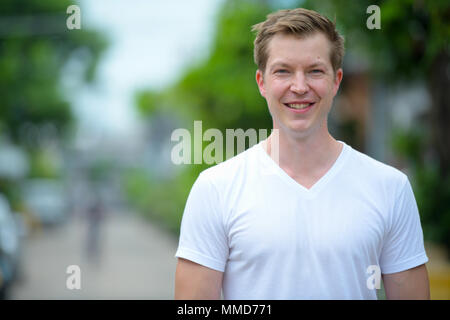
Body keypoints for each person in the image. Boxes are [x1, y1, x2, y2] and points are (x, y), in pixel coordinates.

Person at [174, 8, 430, 299]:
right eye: (283, 71)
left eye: (315, 71)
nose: (299, 87)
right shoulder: (216, 189)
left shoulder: (390, 188)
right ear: (262, 82)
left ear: (336, 81)